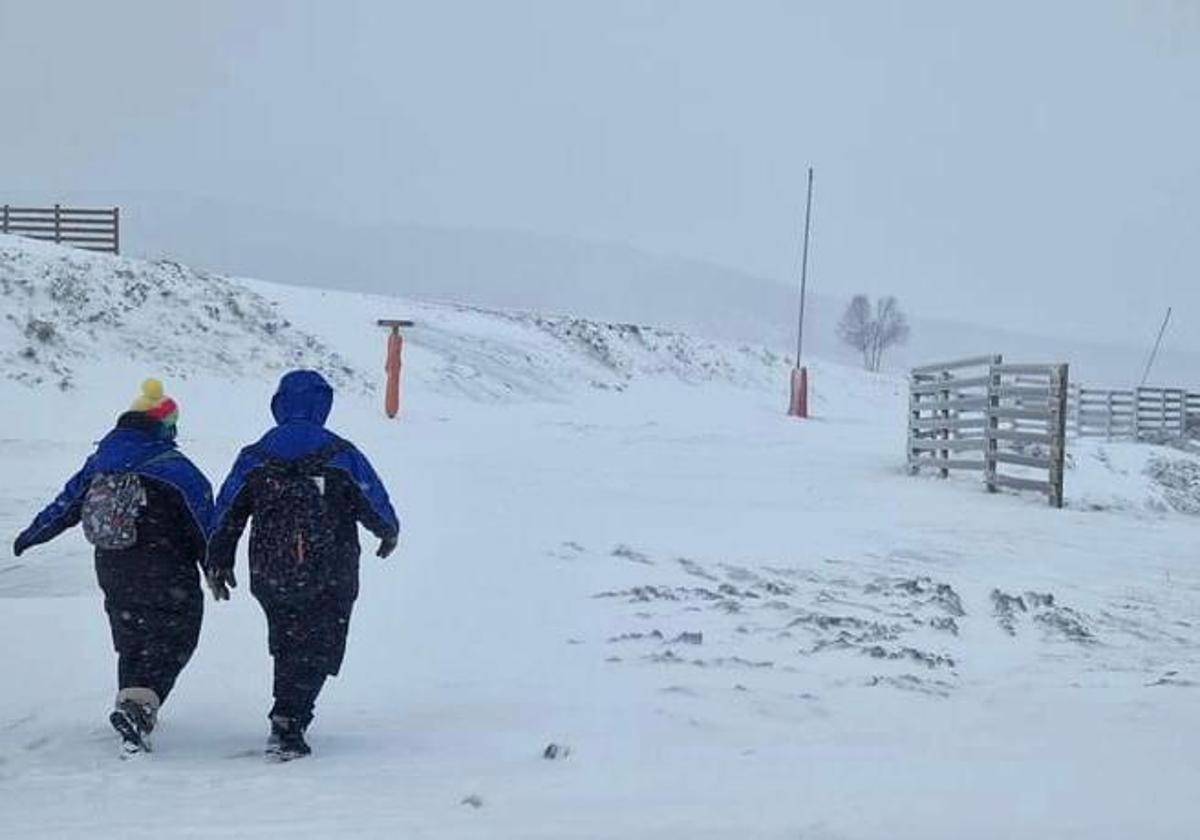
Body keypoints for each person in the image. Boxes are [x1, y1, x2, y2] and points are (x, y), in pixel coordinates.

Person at [206, 369, 399, 761]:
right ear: (322, 405)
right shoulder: (341, 453)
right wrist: (388, 532)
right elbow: (373, 501)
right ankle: (291, 717)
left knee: (288, 639)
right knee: (321, 643)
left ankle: (288, 712)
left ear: (279, 405)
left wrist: (219, 557)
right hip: (332, 568)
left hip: (271, 568)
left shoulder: (255, 456)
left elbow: (228, 510)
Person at [12, 379, 213, 756]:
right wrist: (215, 565)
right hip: (166, 567)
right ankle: (140, 707)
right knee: (177, 633)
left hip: (113, 565)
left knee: (133, 635)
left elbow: (66, 504)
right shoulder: (175, 467)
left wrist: (31, 534)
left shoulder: (101, 462)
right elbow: (202, 521)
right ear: (165, 425)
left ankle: (133, 704)